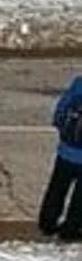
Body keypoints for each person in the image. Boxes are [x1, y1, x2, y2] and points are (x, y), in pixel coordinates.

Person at [41, 76, 82, 238]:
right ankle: (71, 228)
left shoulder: (79, 83)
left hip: (66, 150)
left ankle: (47, 223)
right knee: (80, 197)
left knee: (57, 187)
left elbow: (61, 109)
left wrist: (64, 134)